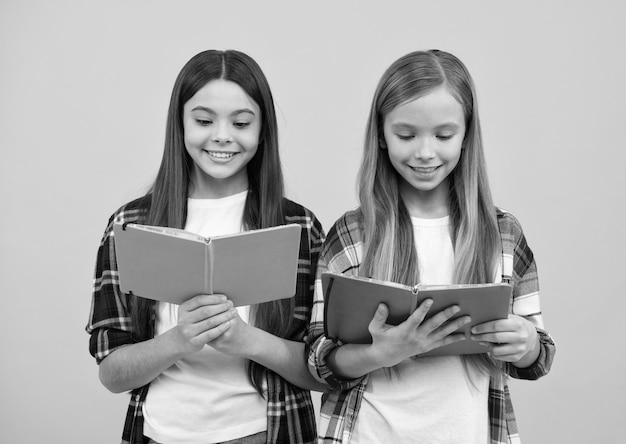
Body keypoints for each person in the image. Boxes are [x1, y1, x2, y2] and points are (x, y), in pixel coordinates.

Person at [305, 49, 555, 443]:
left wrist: (525, 344)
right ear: (382, 137)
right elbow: (318, 359)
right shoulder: (353, 235)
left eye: (443, 135)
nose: (425, 152)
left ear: (467, 135)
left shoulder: (502, 234)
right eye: (406, 135)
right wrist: (379, 354)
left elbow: (538, 358)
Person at [86, 49, 325, 444]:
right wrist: (180, 338)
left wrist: (248, 340)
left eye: (241, 122)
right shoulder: (130, 227)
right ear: (179, 125)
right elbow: (112, 374)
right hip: (162, 435)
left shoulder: (298, 227)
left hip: (268, 432)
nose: (222, 136)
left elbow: (322, 371)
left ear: (263, 130)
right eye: (203, 120)